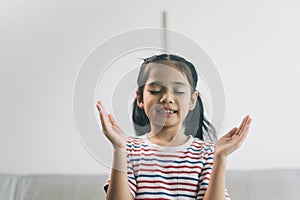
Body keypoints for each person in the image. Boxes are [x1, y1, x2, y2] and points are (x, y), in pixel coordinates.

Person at [96, 53, 252, 200]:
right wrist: (119, 149)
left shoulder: (208, 154)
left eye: (178, 91)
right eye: (155, 90)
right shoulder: (128, 150)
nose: (167, 98)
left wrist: (221, 157)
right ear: (140, 98)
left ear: (192, 100)